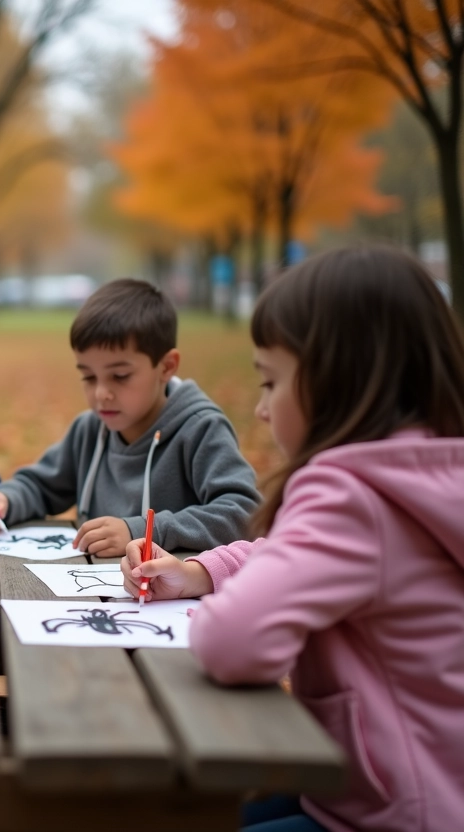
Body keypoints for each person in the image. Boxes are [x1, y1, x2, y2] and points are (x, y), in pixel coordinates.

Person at [121, 246, 464, 832]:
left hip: (387, 812)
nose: (259, 409)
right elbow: (290, 553)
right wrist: (203, 571)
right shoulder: (427, 474)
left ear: (340, 382)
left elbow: (233, 642)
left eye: (271, 382)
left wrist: (220, 608)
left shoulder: (350, 494)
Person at [0, 278, 259, 557]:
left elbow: (243, 511)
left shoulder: (200, 429)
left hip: (173, 599)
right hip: (94, 591)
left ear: (167, 366)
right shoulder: (90, 430)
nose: (101, 393)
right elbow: (40, 486)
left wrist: (143, 532)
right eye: (89, 377)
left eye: (120, 376)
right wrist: (5, 501)